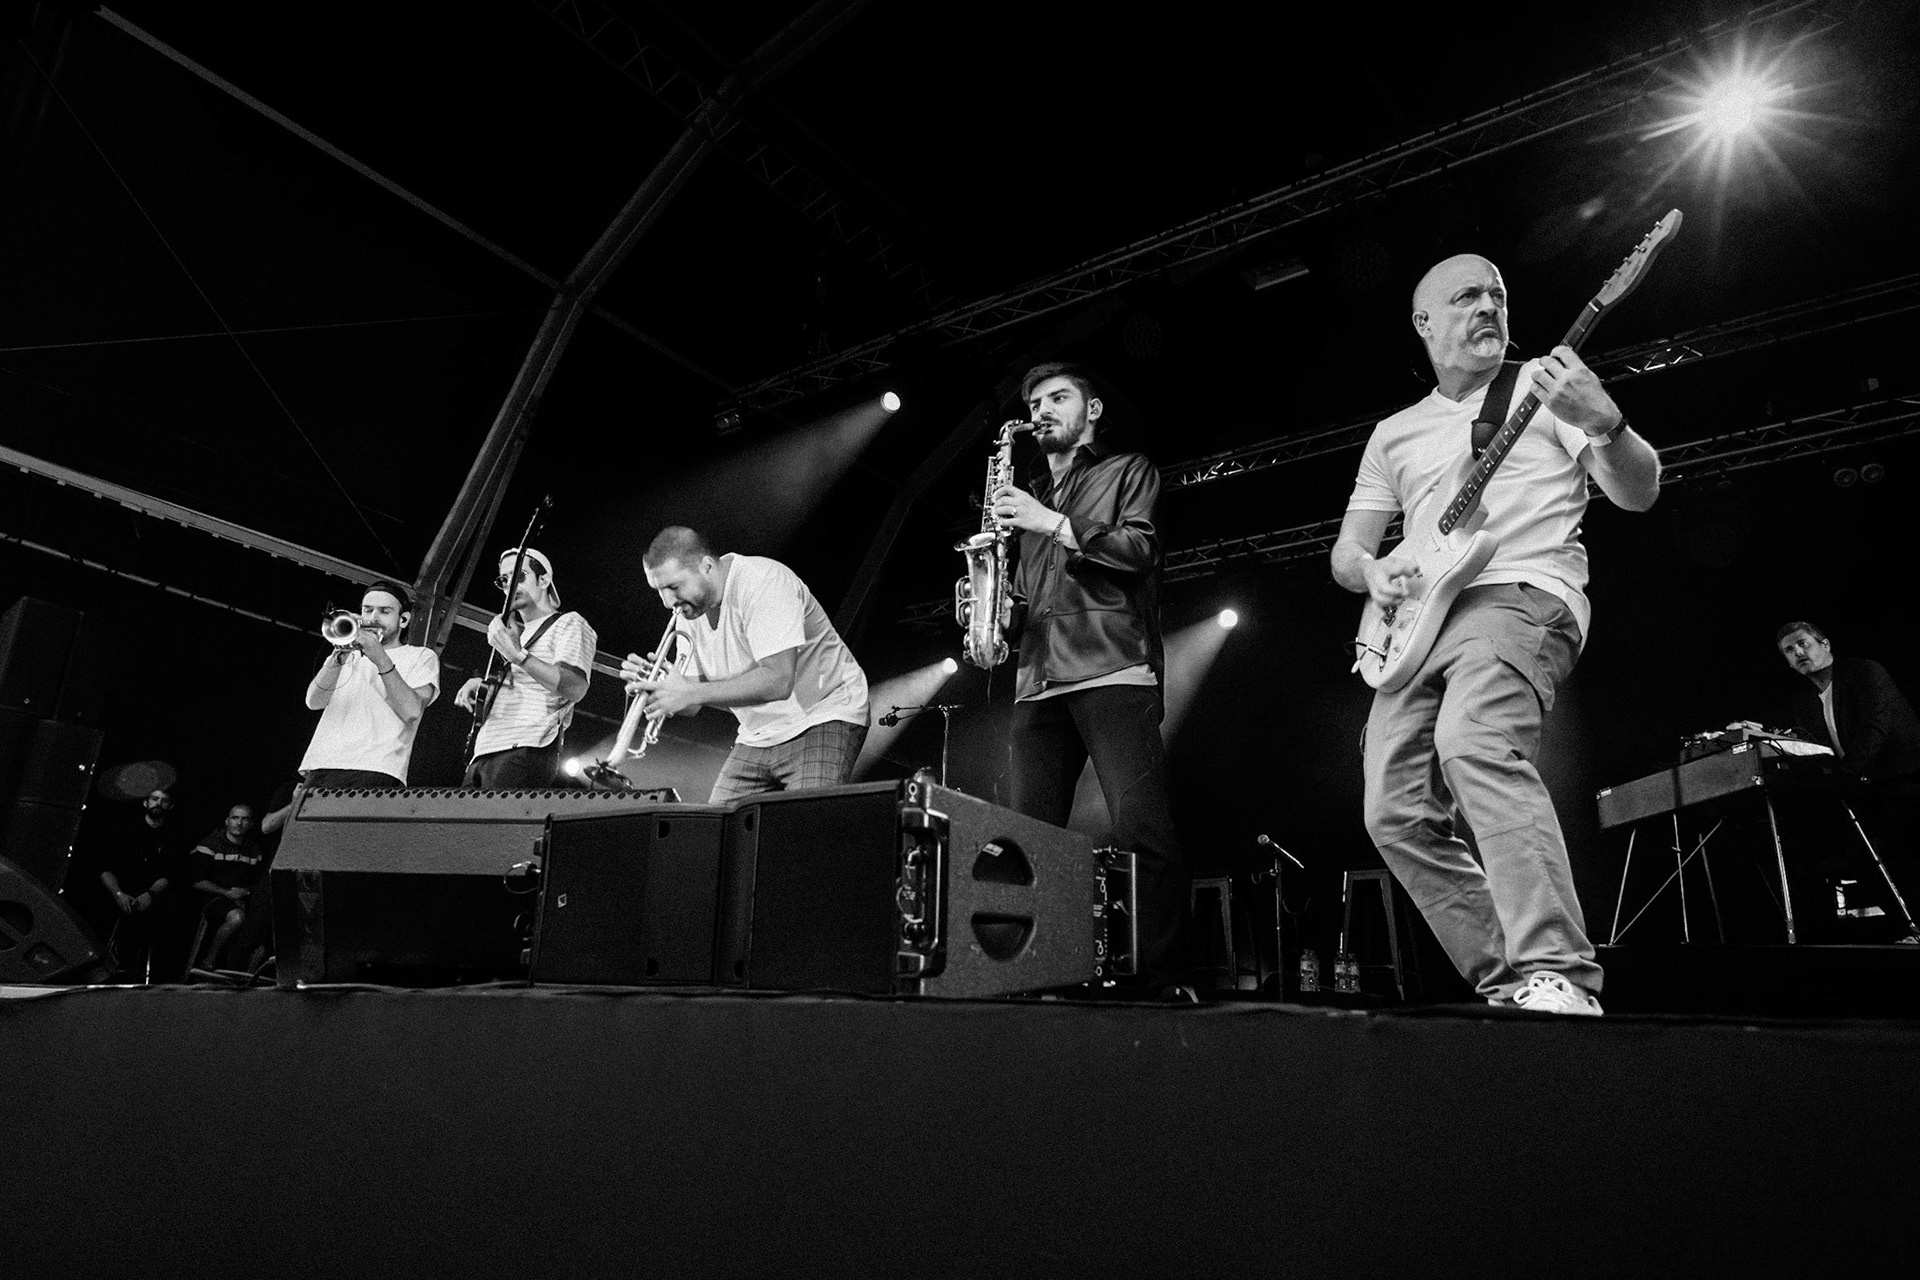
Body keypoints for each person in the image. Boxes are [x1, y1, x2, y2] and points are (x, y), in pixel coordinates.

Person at [1330, 253, 1662, 1016]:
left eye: (1497, 296)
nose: (1487, 307)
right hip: (1416, 621)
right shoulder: (1394, 434)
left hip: (1519, 591)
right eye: (1466, 297)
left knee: (1474, 743)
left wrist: (1606, 421)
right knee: (1394, 811)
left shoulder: (1543, 391)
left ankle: (1560, 970)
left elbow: (1638, 491)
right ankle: (1511, 985)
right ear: (1423, 322)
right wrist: (1373, 574)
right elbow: (1351, 550)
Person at [987, 361, 1190, 988]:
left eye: (1058, 398)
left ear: (1091, 410)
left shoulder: (1128, 471)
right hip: (1036, 678)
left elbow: (1139, 551)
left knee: (1142, 830)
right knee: (1027, 841)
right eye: (1036, 401)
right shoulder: (1028, 501)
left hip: (1112, 668)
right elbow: (1026, 595)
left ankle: (1156, 979)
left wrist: (1048, 523)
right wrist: (992, 612)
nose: (1043, 409)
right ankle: (1032, 972)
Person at [622, 527, 869, 803]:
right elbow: (692, 703)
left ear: (706, 566)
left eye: (673, 587)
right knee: (717, 830)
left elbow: (778, 681)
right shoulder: (687, 613)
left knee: (804, 827)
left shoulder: (763, 581)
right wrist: (661, 688)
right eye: (659, 591)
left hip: (823, 714)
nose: (668, 602)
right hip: (758, 734)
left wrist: (689, 692)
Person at [1777, 620, 1920, 939]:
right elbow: (1816, 747)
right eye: (1789, 650)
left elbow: (1876, 729)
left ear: (1825, 644)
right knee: (1862, 859)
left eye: (1803, 644)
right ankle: (1911, 927)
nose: (1798, 652)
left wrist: (1844, 776)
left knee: (1897, 848)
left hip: (1906, 780)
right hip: (1865, 788)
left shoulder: (1865, 672)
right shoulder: (1803, 702)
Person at [454, 549, 596, 789]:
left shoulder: (569, 622)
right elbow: (522, 684)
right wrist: (483, 685)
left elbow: (575, 687)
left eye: (519, 576)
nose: (509, 586)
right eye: (504, 580)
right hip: (484, 749)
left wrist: (518, 655)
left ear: (543, 580)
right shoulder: (516, 631)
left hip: (526, 747)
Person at [298, 580, 440, 789]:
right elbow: (314, 701)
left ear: (403, 620)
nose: (373, 617)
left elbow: (411, 711)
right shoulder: (347, 654)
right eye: (368, 610)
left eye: (384, 611)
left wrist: (379, 656)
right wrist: (340, 651)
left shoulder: (420, 656)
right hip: (323, 764)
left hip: (377, 768)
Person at [95, 787, 182, 981]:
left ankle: (156, 976)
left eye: (164, 800)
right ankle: (115, 968)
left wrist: (150, 894)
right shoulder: (124, 829)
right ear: (145, 802)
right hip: (121, 888)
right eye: (154, 799)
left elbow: (168, 875)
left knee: (167, 915)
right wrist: (118, 894)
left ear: (171, 806)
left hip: (152, 892)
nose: (158, 804)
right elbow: (104, 868)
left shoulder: (172, 836)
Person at [186, 802, 265, 972]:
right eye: (235, 818)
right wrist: (228, 894)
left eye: (244, 819)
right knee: (237, 918)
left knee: (263, 919)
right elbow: (198, 882)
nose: (239, 823)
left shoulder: (253, 849)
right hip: (211, 897)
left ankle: (241, 971)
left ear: (251, 824)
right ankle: (208, 963)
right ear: (227, 821)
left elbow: (258, 882)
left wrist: (246, 892)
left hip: (241, 898)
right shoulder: (210, 844)